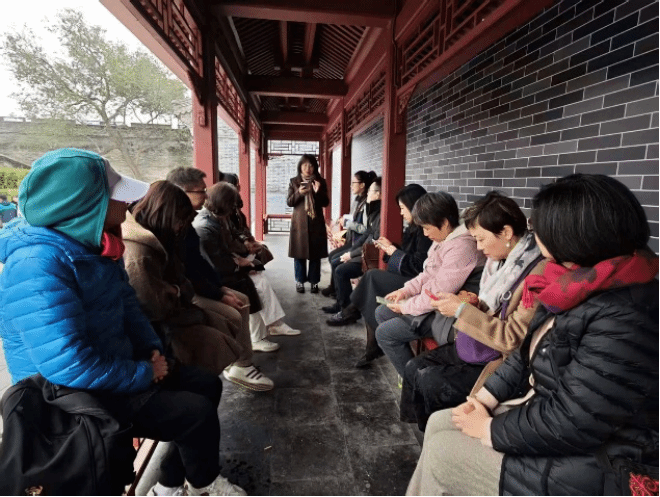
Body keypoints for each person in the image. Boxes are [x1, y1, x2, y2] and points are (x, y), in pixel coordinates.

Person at [0, 148, 247, 496]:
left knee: (207, 385)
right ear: (87, 205)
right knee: (195, 413)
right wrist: (144, 373)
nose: (128, 204)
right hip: (71, 397)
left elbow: (129, 306)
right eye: (117, 196)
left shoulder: (95, 244)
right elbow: (66, 364)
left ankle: (170, 484)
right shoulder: (38, 264)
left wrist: (152, 351)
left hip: (114, 368)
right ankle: (203, 486)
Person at [407, 174, 659, 497]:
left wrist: (489, 429)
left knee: (444, 454)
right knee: (440, 423)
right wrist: (484, 398)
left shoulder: (626, 315)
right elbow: (525, 352)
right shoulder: (569, 282)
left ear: (573, 235)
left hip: (600, 461)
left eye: (538, 225)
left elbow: (574, 420)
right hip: (546, 413)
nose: (533, 232)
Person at [400, 191, 546, 431]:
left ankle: (437, 435)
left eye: (480, 239)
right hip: (477, 341)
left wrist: (461, 310)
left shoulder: (535, 273)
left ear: (506, 232)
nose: (477, 247)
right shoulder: (498, 262)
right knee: (414, 367)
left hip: (500, 359)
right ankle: (422, 432)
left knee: (429, 380)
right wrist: (471, 303)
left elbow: (512, 339)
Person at [166, 167, 274, 391]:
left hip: (196, 285)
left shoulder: (187, 222)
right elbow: (194, 270)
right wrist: (220, 290)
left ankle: (241, 361)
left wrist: (220, 290)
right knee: (239, 300)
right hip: (182, 295)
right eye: (201, 191)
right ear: (181, 192)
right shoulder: (195, 224)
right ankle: (240, 362)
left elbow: (198, 264)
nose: (206, 195)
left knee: (243, 294)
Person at [374, 192, 486, 377]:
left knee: (385, 334)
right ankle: (410, 371)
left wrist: (406, 306)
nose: (425, 234)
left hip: (446, 314)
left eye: (427, 228)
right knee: (382, 311)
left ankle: (411, 379)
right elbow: (429, 273)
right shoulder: (444, 238)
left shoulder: (462, 247)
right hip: (434, 305)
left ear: (445, 223)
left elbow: (440, 291)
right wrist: (405, 291)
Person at [194, 182, 300, 351]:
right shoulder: (204, 227)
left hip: (225, 264)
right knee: (251, 285)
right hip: (215, 276)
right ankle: (258, 336)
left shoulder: (216, 217)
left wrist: (245, 248)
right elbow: (216, 263)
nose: (233, 209)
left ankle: (273, 324)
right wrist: (241, 265)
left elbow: (230, 239)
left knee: (259, 279)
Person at [347, 184, 432, 366]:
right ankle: (370, 342)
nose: (401, 213)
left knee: (372, 278)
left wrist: (393, 251)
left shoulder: (426, 231)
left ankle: (353, 311)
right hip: (411, 278)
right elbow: (408, 257)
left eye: (403, 208)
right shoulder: (414, 228)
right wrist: (390, 248)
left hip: (418, 283)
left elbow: (419, 267)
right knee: (371, 288)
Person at [324, 177, 382, 324]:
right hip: (363, 249)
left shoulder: (380, 213)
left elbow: (371, 239)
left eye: (370, 191)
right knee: (336, 261)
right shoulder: (372, 209)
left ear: (379, 194)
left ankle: (347, 310)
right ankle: (342, 305)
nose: (368, 194)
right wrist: (351, 252)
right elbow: (367, 235)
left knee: (340, 269)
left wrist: (351, 253)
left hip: (373, 256)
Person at [322, 170, 377, 298]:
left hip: (359, 244)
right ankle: (335, 288)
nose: (351, 186)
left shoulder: (367, 205)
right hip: (353, 240)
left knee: (336, 261)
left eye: (353, 183)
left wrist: (348, 223)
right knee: (332, 257)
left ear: (362, 185)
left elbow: (366, 230)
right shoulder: (357, 200)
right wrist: (344, 221)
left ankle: (340, 294)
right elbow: (353, 219)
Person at [288, 154, 330, 294]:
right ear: (300, 166)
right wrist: (299, 193)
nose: (308, 168)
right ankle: (299, 281)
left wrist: (318, 192)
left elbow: (325, 203)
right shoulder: (294, 181)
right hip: (299, 224)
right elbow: (289, 202)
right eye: (305, 165)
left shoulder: (320, 181)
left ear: (315, 167)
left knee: (315, 255)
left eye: (311, 165)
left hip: (316, 223)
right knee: (299, 254)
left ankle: (314, 282)